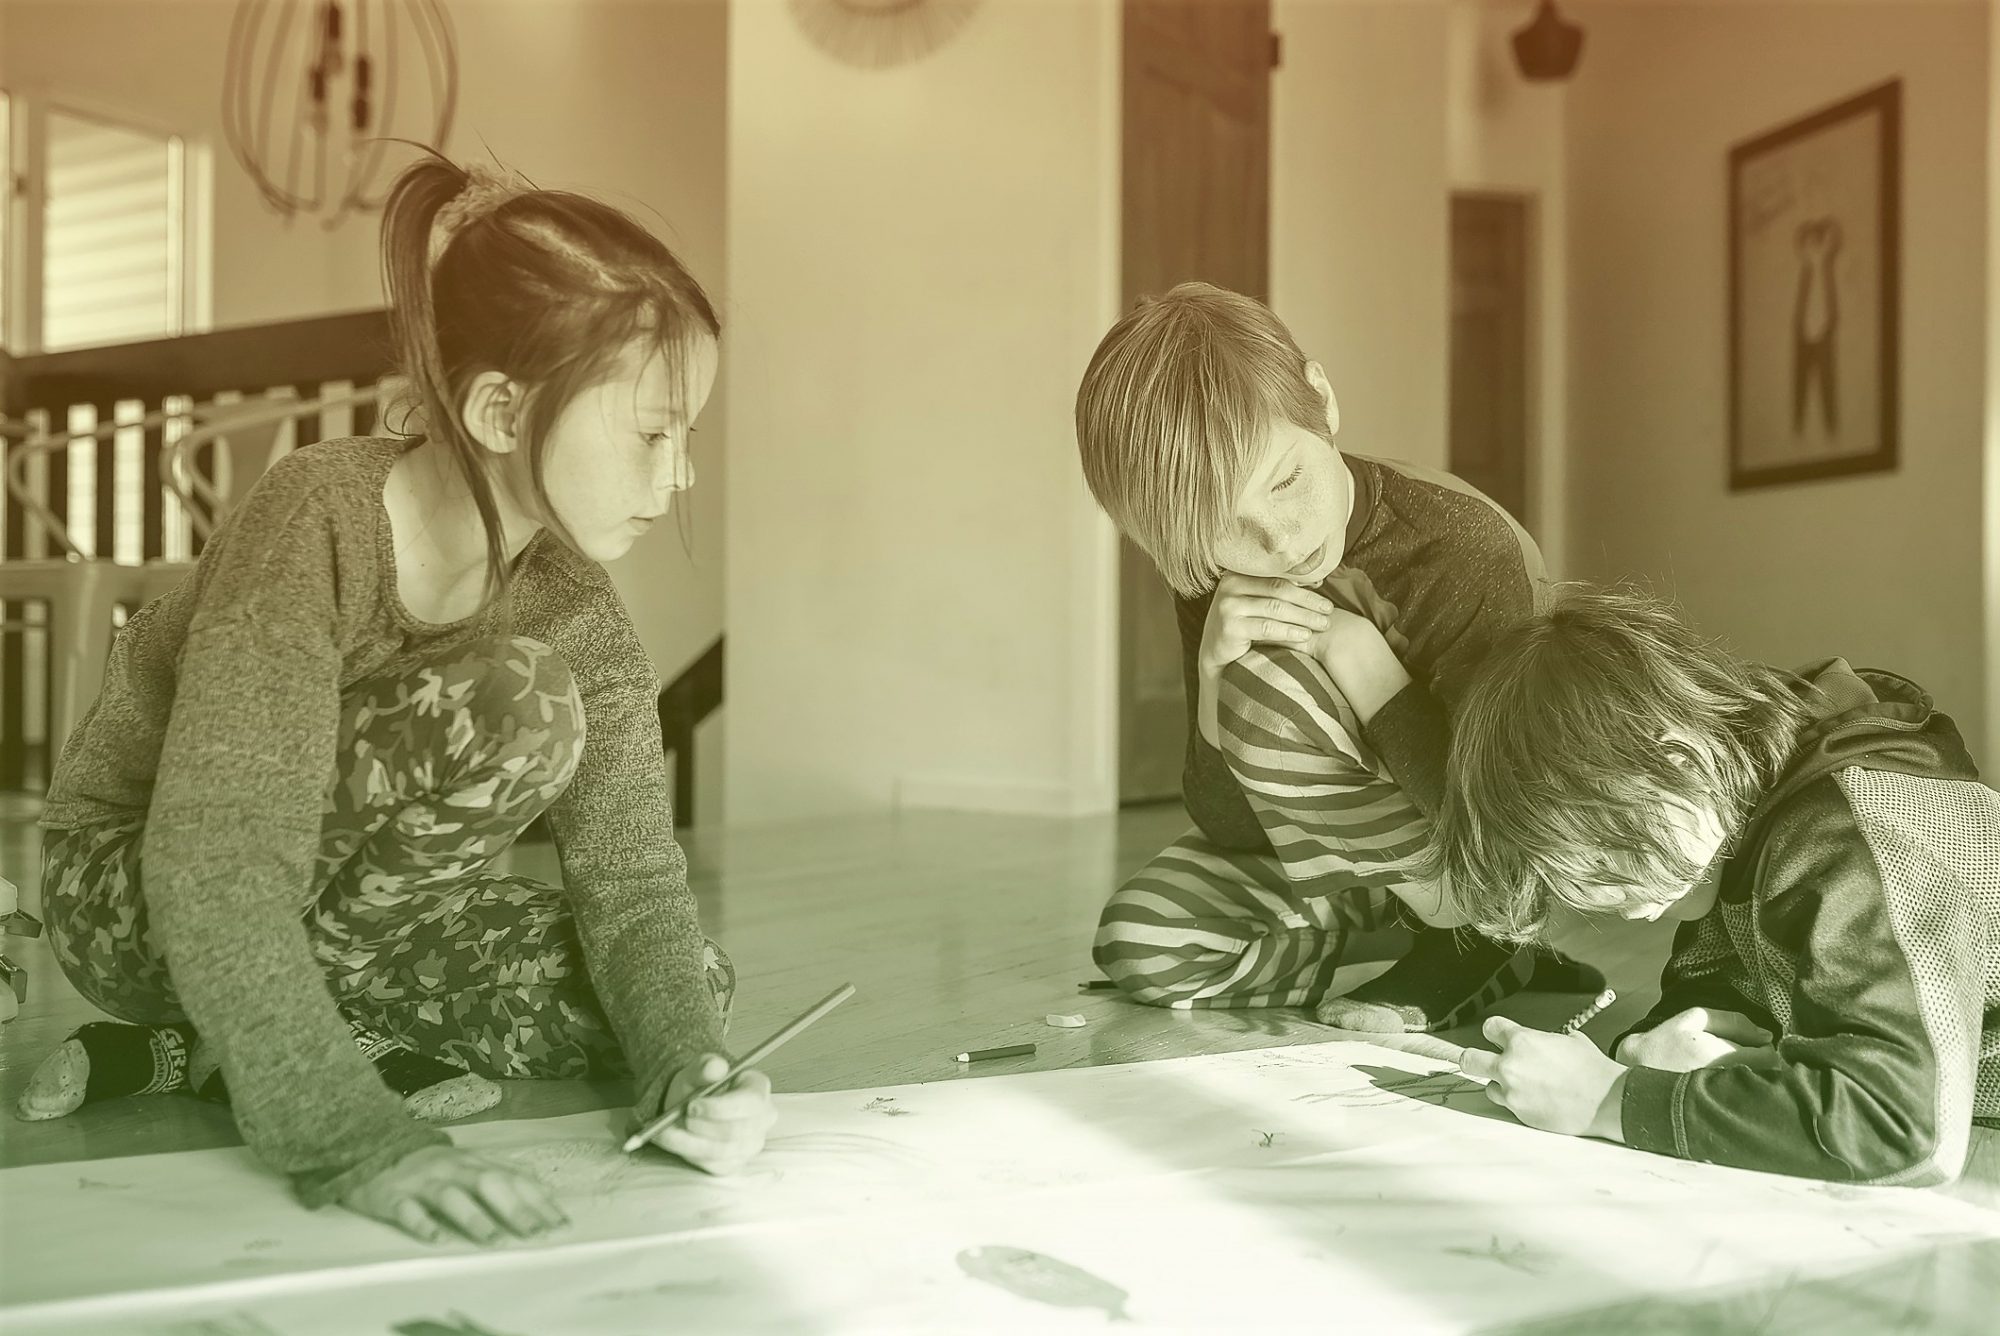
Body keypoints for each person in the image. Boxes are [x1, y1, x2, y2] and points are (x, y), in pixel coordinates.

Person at [21, 152, 774, 1241]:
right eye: (653, 432)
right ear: (502, 412)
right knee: (518, 702)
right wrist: (357, 1139)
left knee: (680, 984)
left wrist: (689, 1070)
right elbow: (216, 858)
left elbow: (632, 882)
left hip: (345, 928)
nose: (681, 472)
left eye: (687, 436)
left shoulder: (577, 603)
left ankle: (217, 1045)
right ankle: (273, 1048)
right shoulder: (314, 517)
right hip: (139, 886)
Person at [1075, 281, 1596, 1027]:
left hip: (1480, 855)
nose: (1279, 541)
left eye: (1287, 481)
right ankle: (1431, 952)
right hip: (1340, 862)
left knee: (1268, 677)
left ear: (1321, 400)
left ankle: (1477, 941)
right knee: (1142, 941)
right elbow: (1234, 829)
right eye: (1224, 526)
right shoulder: (1224, 574)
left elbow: (1505, 819)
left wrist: (1368, 668)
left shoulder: (1463, 547)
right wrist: (1213, 673)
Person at [1426, 586, 2000, 1185]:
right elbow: (1714, 992)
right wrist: (1651, 1052)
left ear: (1679, 760)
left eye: (1606, 855)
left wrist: (1611, 1102)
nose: (1606, 902)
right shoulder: (1734, 828)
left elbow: (1903, 1128)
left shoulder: (1840, 832)